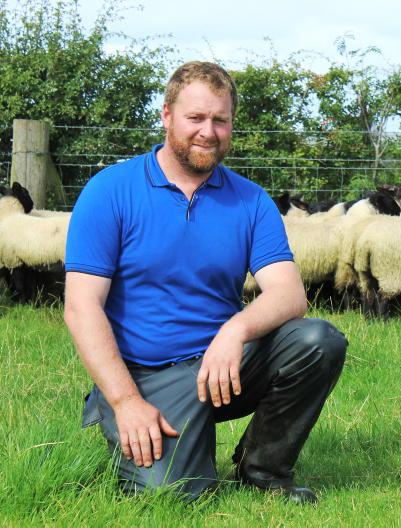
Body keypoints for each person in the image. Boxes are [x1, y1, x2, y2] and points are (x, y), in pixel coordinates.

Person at [63, 61, 347, 503]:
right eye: (195, 118)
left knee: (317, 340)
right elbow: (82, 307)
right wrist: (124, 402)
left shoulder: (250, 200)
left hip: (224, 366)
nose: (208, 132)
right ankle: (148, 433)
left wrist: (235, 331)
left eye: (220, 120)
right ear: (167, 116)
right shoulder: (109, 191)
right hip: (144, 376)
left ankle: (264, 470)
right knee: (174, 496)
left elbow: (290, 294)